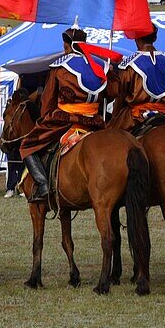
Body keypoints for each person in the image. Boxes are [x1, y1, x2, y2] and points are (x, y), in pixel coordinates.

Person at [19, 25, 121, 202]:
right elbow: (113, 92)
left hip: (66, 119)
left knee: (27, 144)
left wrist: (45, 118)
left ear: (66, 46)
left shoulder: (60, 67)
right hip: (95, 121)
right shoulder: (100, 66)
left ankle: (43, 185)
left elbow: (47, 101)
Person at [107, 23, 165, 133]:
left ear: (136, 38)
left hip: (137, 117)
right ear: (155, 38)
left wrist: (114, 118)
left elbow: (121, 96)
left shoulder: (129, 64)